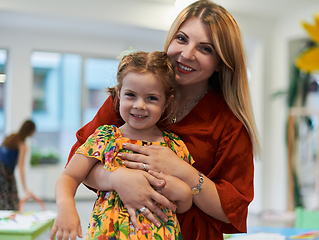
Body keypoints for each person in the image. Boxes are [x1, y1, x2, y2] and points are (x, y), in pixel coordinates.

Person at [67, 0, 260, 239]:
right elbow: (78, 162)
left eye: (205, 49)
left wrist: (184, 172)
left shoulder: (229, 123)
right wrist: (116, 178)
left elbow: (231, 209)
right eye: (181, 39)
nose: (187, 54)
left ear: (220, 62)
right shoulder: (132, 96)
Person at [50, 51, 195, 240]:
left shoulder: (174, 146)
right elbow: (69, 176)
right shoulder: (105, 137)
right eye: (131, 95)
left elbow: (182, 205)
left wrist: (184, 193)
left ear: (167, 101)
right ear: (118, 95)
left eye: (151, 98)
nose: (139, 105)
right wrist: (66, 207)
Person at [0, 119, 37, 210]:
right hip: (5, 172)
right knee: (10, 200)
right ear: (30, 131)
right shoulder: (22, 145)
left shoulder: (10, 137)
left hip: (2, 169)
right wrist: (25, 188)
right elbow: (21, 166)